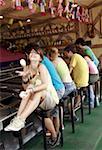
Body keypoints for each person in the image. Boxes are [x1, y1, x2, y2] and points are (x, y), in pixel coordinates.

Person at [4, 48, 60, 147]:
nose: (33, 54)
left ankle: (21, 119)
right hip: (38, 99)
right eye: (31, 52)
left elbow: (45, 85)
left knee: (35, 90)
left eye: (36, 53)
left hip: (49, 97)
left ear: (40, 58)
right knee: (29, 88)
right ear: (28, 56)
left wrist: (31, 89)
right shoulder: (26, 68)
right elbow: (25, 87)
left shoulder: (41, 67)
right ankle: (18, 120)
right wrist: (25, 79)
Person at [49, 47, 77, 121]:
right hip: (72, 85)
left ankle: (60, 123)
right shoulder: (60, 59)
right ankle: (72, 114)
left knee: (55, 101)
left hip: (66, 86)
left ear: (50, 55)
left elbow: (51, 77)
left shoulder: (53, 63)